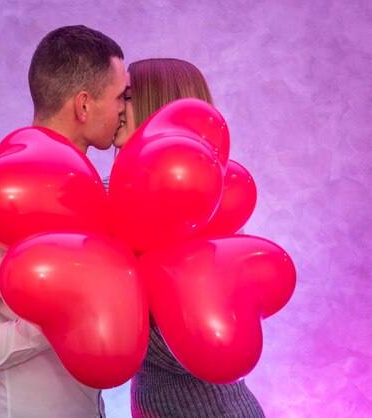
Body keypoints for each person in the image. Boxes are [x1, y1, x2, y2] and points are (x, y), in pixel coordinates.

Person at [0, 25, 127, 418]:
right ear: (84, 106)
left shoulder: (91, 199)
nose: (125, 107)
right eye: (120, 96)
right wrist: (56, 324)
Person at [113, 58, 265, 418]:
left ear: (157, 106)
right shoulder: (133, 197)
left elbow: (199, 346)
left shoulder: (195, 209)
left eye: (128, 97)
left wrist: (112, 330)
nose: (116, 107)